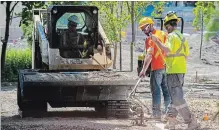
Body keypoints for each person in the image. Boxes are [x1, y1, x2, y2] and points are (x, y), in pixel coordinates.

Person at [150, 11, 200, 129]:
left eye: (166, 26)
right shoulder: (182, 36)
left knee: (177, 98)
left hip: (173, 71)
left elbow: (167, 50)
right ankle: (171, 122)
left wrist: (157, 41)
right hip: (181, 70)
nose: (166, 29)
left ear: (168, 25)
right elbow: (186, 55)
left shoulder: (171, 36)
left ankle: (191, 121)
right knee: (174, 96)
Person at [138, 17, 171, 120]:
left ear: (150, 25)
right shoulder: (164, 34)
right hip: (167, 67)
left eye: (145, 28)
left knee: (156, 91)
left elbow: (149, 55)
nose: (144, 31)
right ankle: (168, 114)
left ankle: (156, 115)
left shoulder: (151, 38)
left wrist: (143, 70)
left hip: (157, 68)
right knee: (166, 92)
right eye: (142, 29)